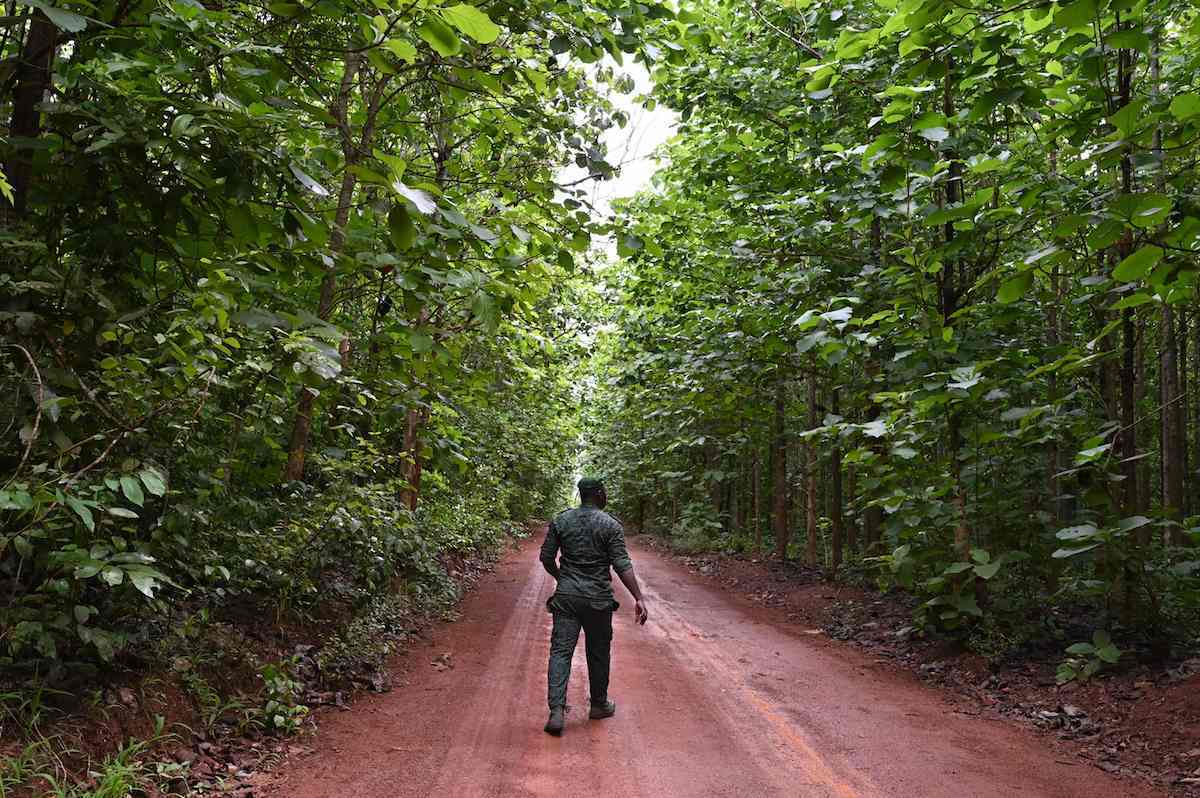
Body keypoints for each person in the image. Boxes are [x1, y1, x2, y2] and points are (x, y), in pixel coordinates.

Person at [539, 477, 648, 736]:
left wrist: (561, 578)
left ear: (580, 494)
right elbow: (622, 564)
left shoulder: (561, 520)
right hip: (598, 599)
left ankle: (556, 711)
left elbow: (546, 557)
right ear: (599, 494)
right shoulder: (610, 525)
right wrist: (638, 597)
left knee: (561, 652)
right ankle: (598, 704)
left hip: (566, 597)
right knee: (598, 652)